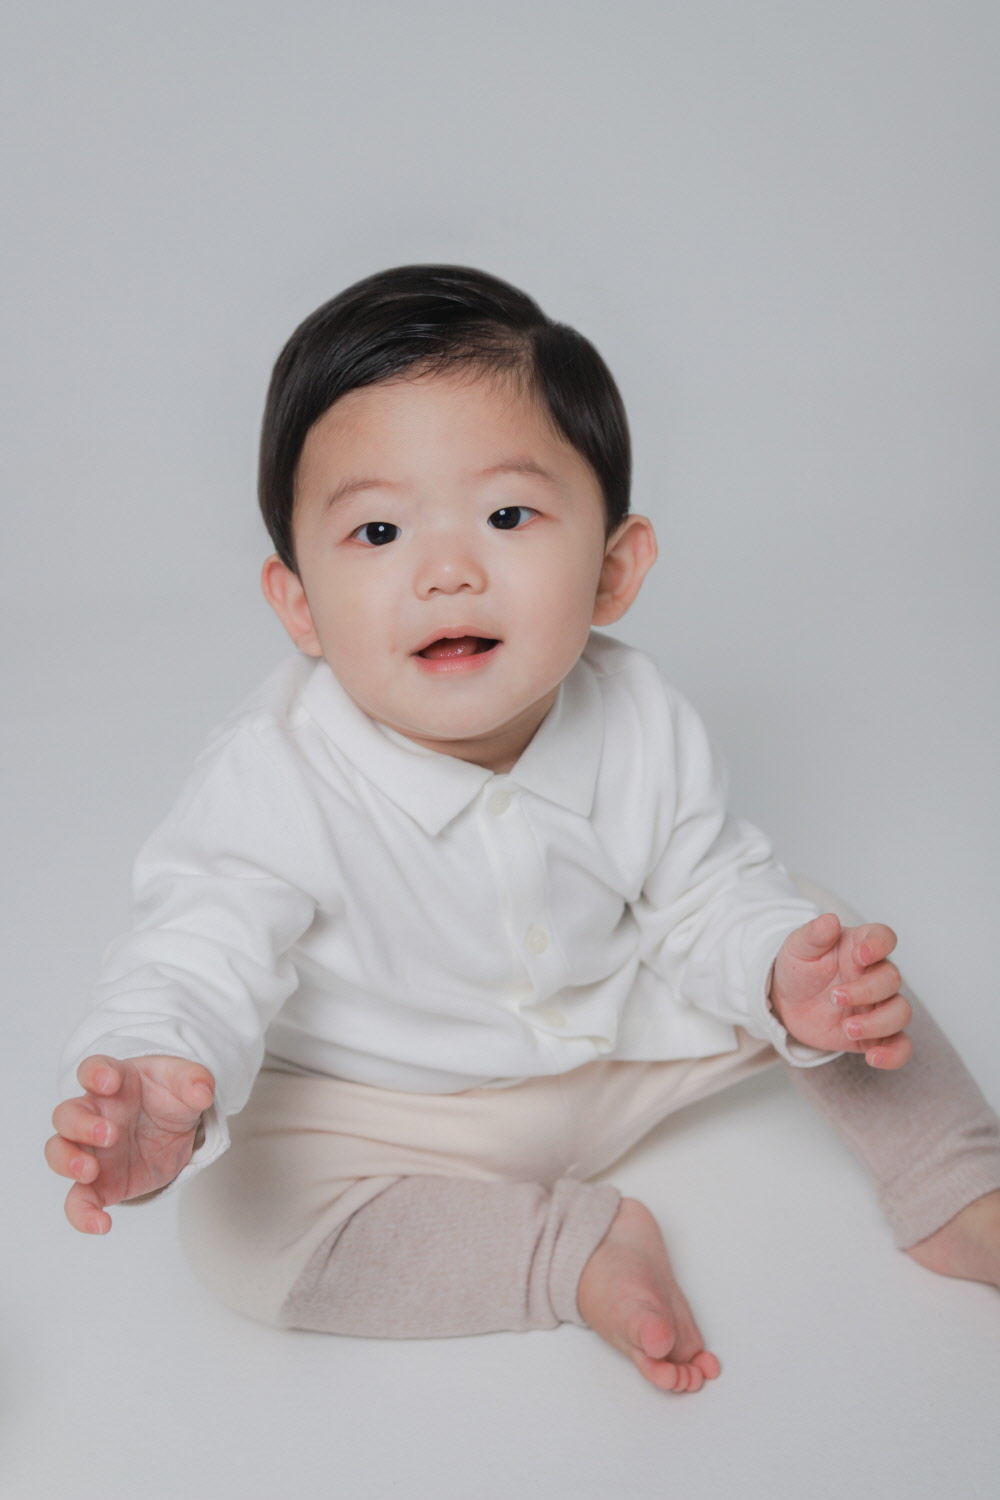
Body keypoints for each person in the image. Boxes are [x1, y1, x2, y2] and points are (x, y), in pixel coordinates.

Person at [46, 266, 1000, 1393]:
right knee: (239, 1236)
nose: (448, 572)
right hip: (391, 1105)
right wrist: (162, 1070)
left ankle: (956, 1186)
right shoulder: (272, 776)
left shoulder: (638, 714)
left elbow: (702, 892)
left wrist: (779, 976)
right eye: (378, 530)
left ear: (612, 569)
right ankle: (570, 1253)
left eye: (507, 516)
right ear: (298, 602)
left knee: (820, 940)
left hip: (627, 1036)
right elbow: (195, 947)